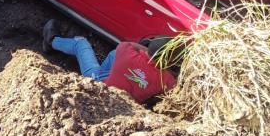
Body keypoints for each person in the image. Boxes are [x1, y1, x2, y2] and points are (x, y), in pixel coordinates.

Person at [42, 19, 177, 103]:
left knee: (81, 44)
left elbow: (129, 45)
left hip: (99, 86)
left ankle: (51, 41)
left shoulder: (127, 51)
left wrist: (145, 53)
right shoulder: (166, 79)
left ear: (149, 47)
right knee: (114, 55)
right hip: (126, 105)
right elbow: (173, 90)